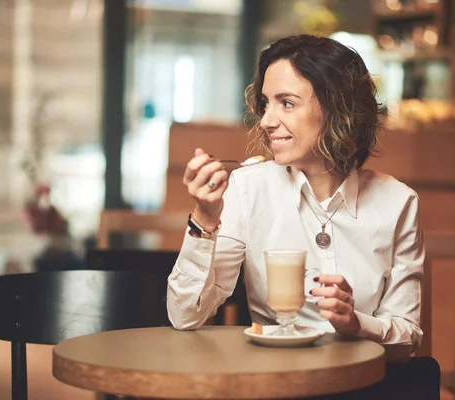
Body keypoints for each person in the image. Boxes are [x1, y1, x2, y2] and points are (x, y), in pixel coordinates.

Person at [167, 34, 425, 363]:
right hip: (276, 384)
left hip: (365, 387)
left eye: (286, 103)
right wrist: (204, 217)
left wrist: (355, 323)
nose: (266, 121)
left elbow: (407, 338)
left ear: (337, 110)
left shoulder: (398, 203)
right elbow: (185, 316)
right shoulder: (248, 188)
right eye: (265, 103)